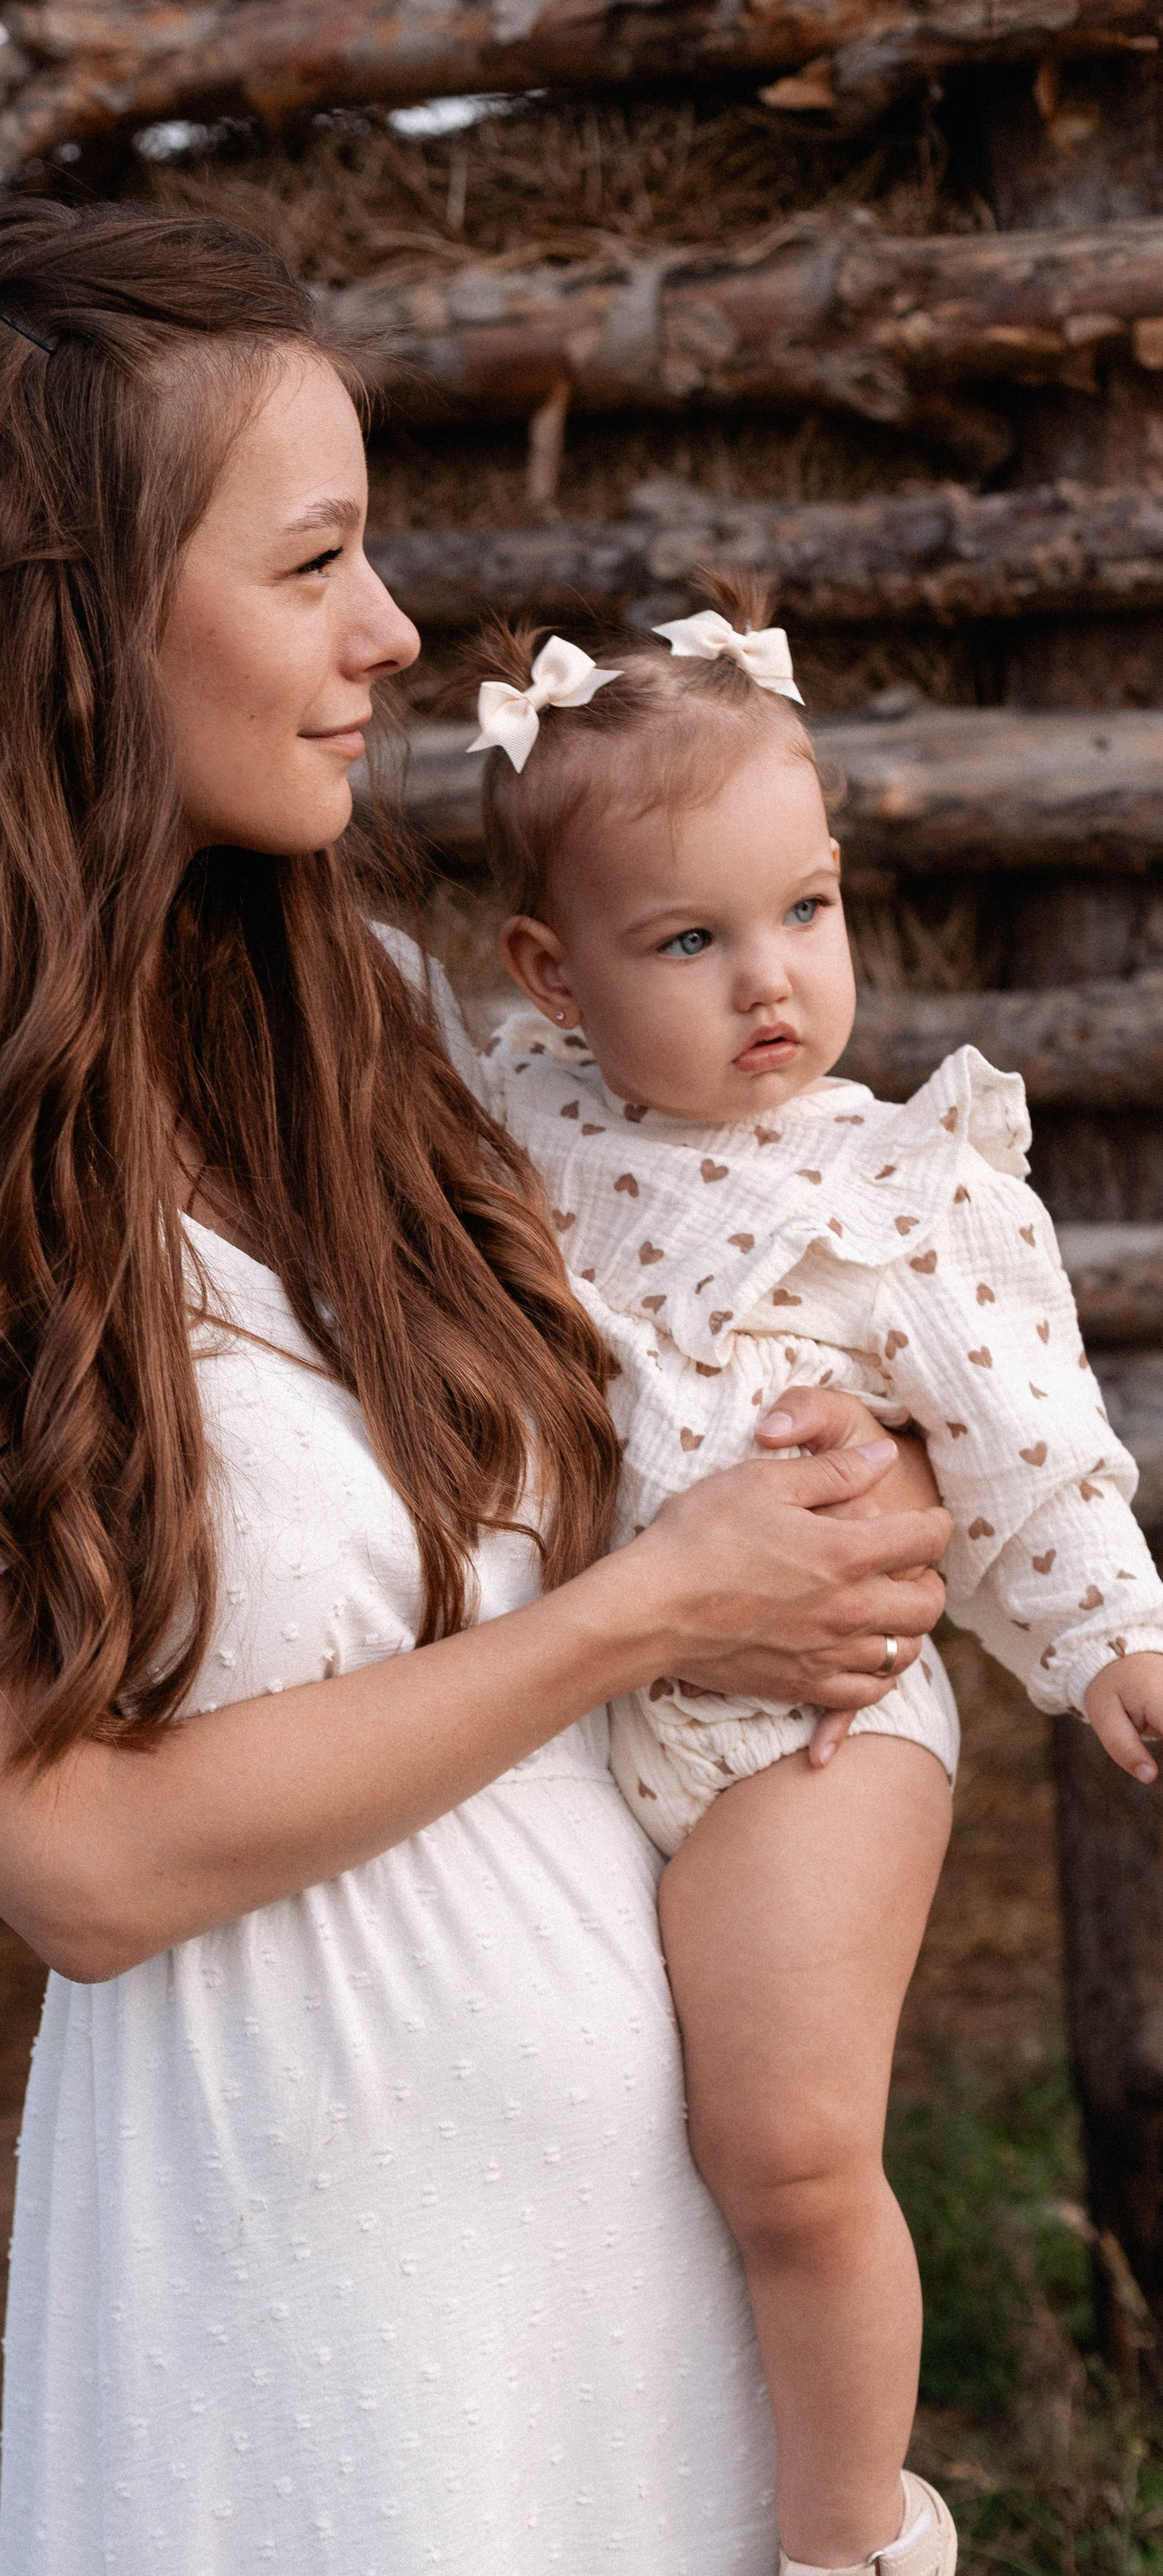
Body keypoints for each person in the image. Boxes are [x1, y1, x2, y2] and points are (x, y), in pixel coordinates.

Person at [0, 204, 952, 2575]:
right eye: (312, 561)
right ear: (62, 625)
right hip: (306, 2312)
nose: (392, 631)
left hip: (669, 2267)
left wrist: (845, 1501)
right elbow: (83, 1865)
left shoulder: (383, 1041)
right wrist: (652, 1613)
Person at [472, 588, 1163, 2576]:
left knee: (786, 2151)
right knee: (622, 2151)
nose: (770, 978)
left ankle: (853, 2536)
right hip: (582, 1718)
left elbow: (1025, 1433)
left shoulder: (904, 1186)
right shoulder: (513, 1129)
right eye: (689, 941)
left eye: (807, 910)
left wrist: (1112, 1636)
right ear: (553, 972)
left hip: (817, 1737)